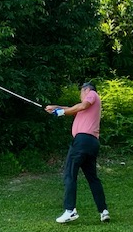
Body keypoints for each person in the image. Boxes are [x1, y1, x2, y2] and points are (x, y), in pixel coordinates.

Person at [45, 82, 110, 224]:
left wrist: (61, 112)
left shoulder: (92, 94)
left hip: (82, 141)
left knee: (69, 174)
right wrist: (55, 108)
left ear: (86, 90)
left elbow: (82, 105)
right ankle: (103, 211)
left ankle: (70, 210)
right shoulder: (86, 108)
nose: (81, 96)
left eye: (81, 93)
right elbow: (74, 108)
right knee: (92, 178)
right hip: (91, 143)